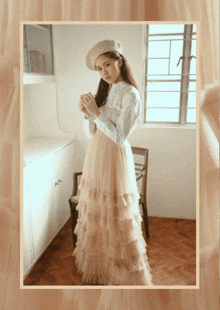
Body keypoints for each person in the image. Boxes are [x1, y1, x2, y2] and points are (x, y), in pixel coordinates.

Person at [72, 39, 153, 286]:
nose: (104, 72)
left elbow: (119, 136)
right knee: (98, 209)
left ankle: (121, 269)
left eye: (107, 64)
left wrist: (96, 113)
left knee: (115, 212)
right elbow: (92, 134)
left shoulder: (131, 94)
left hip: (115, 157)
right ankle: (102, 264)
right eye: (99, 68)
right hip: (96, 153)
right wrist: (88, 115)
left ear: (120, 61)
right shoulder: (105, 91)